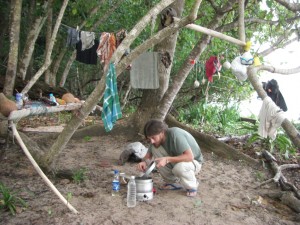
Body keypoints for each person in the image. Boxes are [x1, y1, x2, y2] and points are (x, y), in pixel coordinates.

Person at [137, 119, 203, 197]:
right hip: (178, 160)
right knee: (155, 149)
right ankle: (172, 182)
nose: (151, 141)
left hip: (194, 162)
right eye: (149, 138)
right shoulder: (155, 141)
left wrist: (167, 159)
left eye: (153, 138)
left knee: (179, 168)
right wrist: (143, 161)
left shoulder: (175, 134)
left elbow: (190, 157)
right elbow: (148, 155)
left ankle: (192, 186)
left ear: (161, 132)